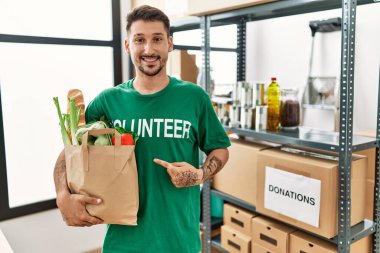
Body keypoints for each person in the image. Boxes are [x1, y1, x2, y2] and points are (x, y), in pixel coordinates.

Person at [53, 5, 230, 253]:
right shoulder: (108, 101)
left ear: (169, 43)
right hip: (123, 243)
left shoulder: (194, 97)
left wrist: (199, 175)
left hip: (179, 242)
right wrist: (62, 196)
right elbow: (69, 153)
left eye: (157, 39)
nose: (149, 49)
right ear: (128, 46)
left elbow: (220, 148)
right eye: (139, 40)